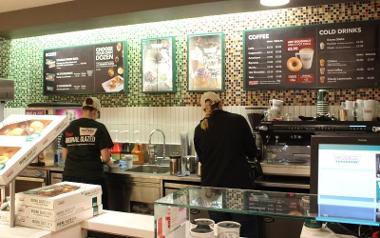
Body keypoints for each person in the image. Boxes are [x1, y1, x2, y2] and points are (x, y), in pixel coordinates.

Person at [194, 92, 259, 238]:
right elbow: (252, 152)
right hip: (237, 189)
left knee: (221, 233)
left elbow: (203, 159)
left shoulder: (199, 129)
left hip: (211, 191)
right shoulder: (238, 121)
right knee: (245, 232)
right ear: (221, 103)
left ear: (203, 107)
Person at [61, 97, 113, 208]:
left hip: (70, 177)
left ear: (83, 110)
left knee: (72, 210)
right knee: (96, 209)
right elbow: (105, 158)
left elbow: (64, 156)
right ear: (95, 111)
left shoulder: (69, 126)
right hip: (92, 178)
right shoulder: (99, 127)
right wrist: (111, 163)